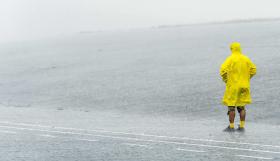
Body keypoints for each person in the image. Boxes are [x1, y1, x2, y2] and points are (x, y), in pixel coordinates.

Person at [220, 42, 257, 131]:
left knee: (231, 106)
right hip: (244, 85)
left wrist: (226, 80)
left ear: (232, 49)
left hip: (233, 86)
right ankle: (242, 126)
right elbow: (253, 70)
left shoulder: (230, 59)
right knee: (241, 106)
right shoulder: (246, 58)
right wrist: (247, 78)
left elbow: (222, 70)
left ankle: (231, 126)